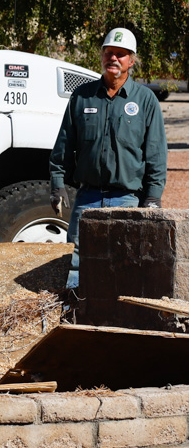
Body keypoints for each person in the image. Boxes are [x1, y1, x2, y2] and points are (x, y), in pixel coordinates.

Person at [49, 27, 167, 291]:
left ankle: (120, 320)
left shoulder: (146, 100)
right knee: (78, 262)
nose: (114, 59)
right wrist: (57, 183)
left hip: (127, 199)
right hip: (87, 198)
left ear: (131, 61)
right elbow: (64, 145)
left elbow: (156, 153)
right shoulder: (82, 96)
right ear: (101, 56)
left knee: (126, 260)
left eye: (121, 55)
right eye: (109, 53)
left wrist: (153, 197)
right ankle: (74, 315)